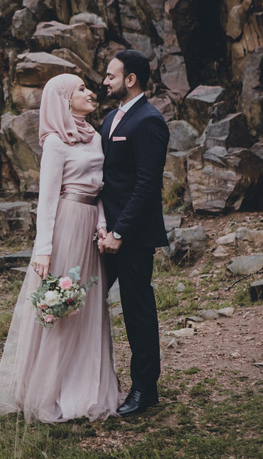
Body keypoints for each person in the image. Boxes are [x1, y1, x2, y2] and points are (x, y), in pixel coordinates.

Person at [0, 73, 123, 423]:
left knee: (90, 305)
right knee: (64, 305)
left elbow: (98, 189)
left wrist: (102, 224)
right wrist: (44, 250)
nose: (89, 92)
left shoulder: (94, 136)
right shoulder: (54, 143)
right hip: (64, 226)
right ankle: (50, 387)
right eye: (80, 89)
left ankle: (86, 387)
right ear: (63, 100)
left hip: (90, 227)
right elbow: (47, 202)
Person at [97, 49, 170, 417]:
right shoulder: (111, 118)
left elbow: (146, 183)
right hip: (103, 235)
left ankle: (145, 389)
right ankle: (85, 381)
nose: (104, 81)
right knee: (86, 302)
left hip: (134, 236)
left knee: (137, 309)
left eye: (110, 76)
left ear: (131, 80)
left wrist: (120, 231)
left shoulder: (149, 121)